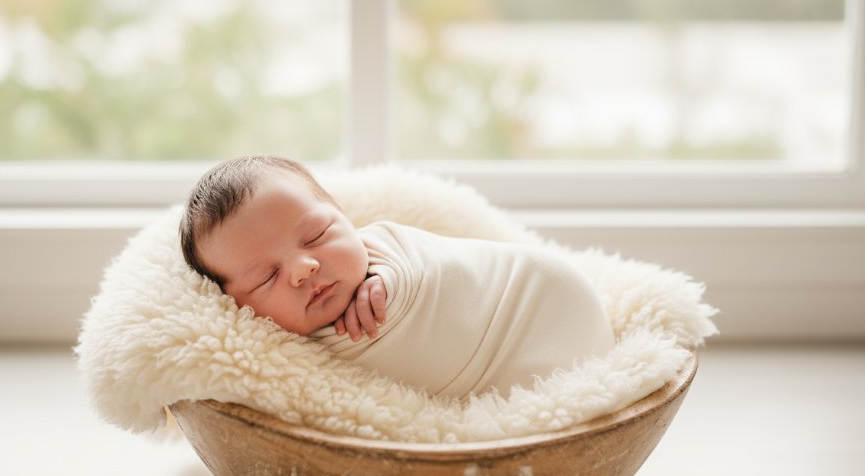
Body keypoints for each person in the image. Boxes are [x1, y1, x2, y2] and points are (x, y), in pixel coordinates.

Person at [180, 155, 615, 398]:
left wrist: (394, 278)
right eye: (266, 277)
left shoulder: (385, 247)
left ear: (344, 216)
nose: (303, 267)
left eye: (317, 234)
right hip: (499, 389)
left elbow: (433, 256)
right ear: (235, 304)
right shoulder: (274, 353)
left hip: (540, 304)